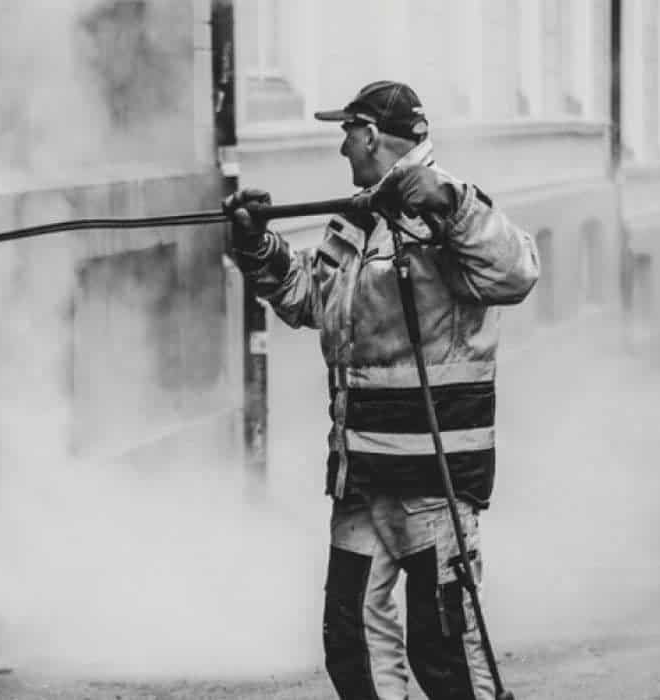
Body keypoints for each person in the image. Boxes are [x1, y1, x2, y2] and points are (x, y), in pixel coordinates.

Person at [222, 80, 540, 700]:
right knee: (352, 642)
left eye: (346, 131)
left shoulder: (449, 210)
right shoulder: (358, 220)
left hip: (433, 482)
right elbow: (313, 298)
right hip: (362, 479)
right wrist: (257, 246)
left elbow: (517, 272)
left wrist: (450, 204)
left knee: (444, 653)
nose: (341, 146)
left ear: (370, 134)